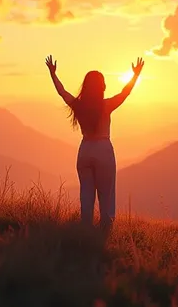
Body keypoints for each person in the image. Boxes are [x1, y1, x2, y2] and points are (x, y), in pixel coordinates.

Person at [45, 54, 144, 230]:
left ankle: (85, 227)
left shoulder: (79, 105)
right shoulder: (106, 105)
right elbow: (125, 93)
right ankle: (105, 228)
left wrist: (53, 74)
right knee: (106, 194)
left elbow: (62, 92)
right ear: (102, 86)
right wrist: (135, 75)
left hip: (85, 150)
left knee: (86, 193)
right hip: (103, 150)